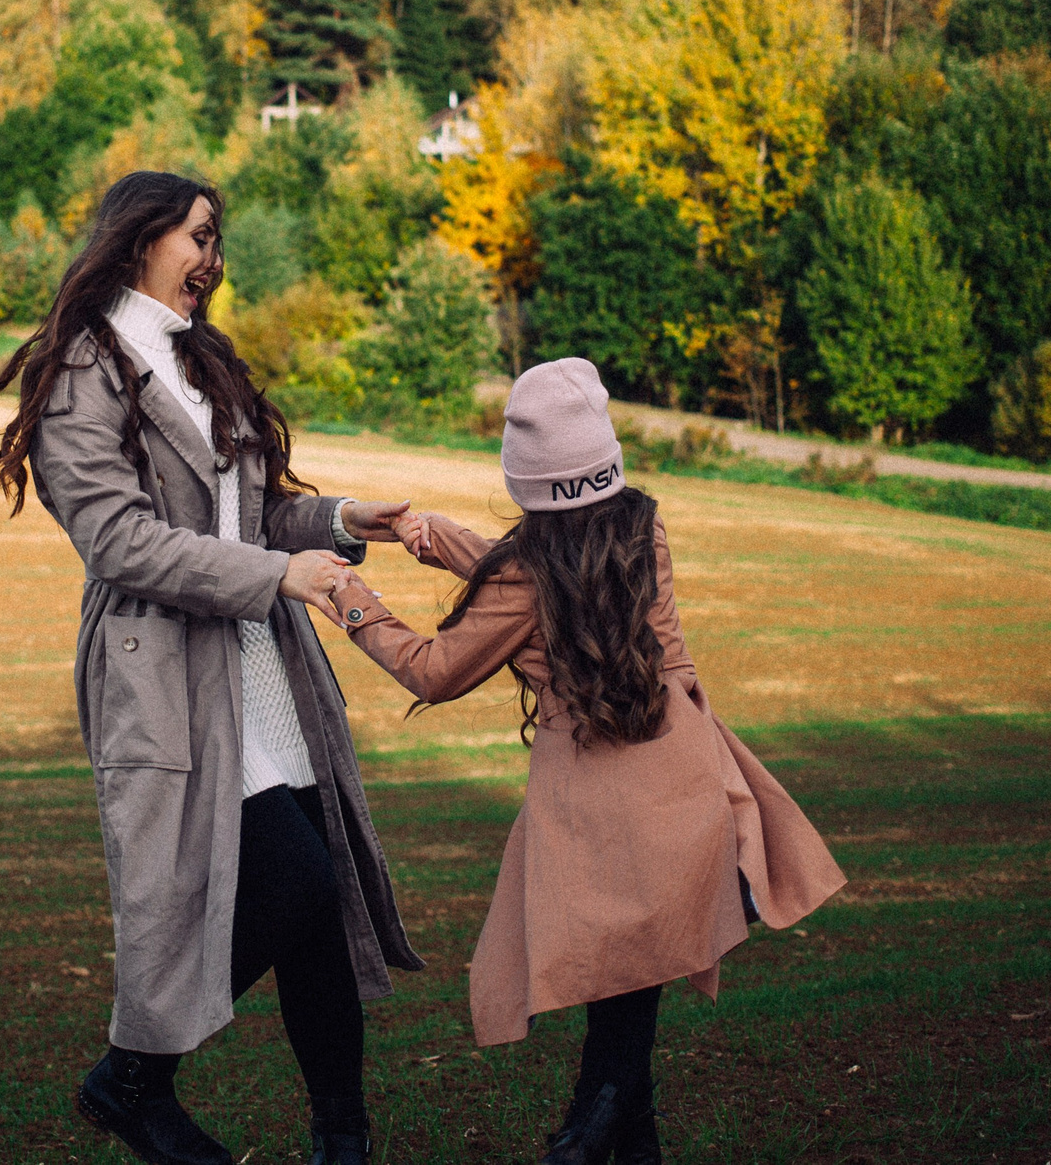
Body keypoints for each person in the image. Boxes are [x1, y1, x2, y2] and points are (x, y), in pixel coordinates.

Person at [0, 170, 423, 1165]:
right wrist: (284, 573)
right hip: (168, 678)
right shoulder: (83, 371)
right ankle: (132, 1077)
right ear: (140, 238)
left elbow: (249, 515)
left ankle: (345, 1143)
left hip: (264, 674)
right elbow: (124, 543)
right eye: (198, 236)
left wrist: (337, 521)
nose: (213, 258)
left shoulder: (198, 362)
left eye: (217, 238)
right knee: (296, 885)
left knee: (317, 917)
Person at [293, 357, 845, 1165]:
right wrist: (442, 538)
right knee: (633, 987)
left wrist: (348, 596)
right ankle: (610, 1131)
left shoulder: (524, 573)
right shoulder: (642, 528)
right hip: (685, 785)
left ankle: (585, 1132)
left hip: (597, 810)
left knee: (623, 1002)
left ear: (526, 476)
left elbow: (435, 668)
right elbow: (556, 583)